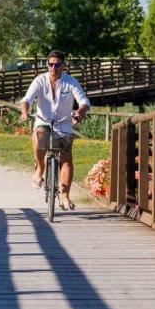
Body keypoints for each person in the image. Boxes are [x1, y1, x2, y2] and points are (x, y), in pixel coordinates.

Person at [19, 50, 90, 211]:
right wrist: (24, 112)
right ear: (47, 65)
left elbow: (84, 102)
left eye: (57, 65)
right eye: (50, 64)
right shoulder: (40, 80)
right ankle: (40, 168)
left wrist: (79, 113)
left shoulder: (70, 82)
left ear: (63, 66)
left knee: (66, 159)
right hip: (43, 120)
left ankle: (65, 196)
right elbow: (26, 100)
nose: (53, 68)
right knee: (39, 134)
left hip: (64, 123)